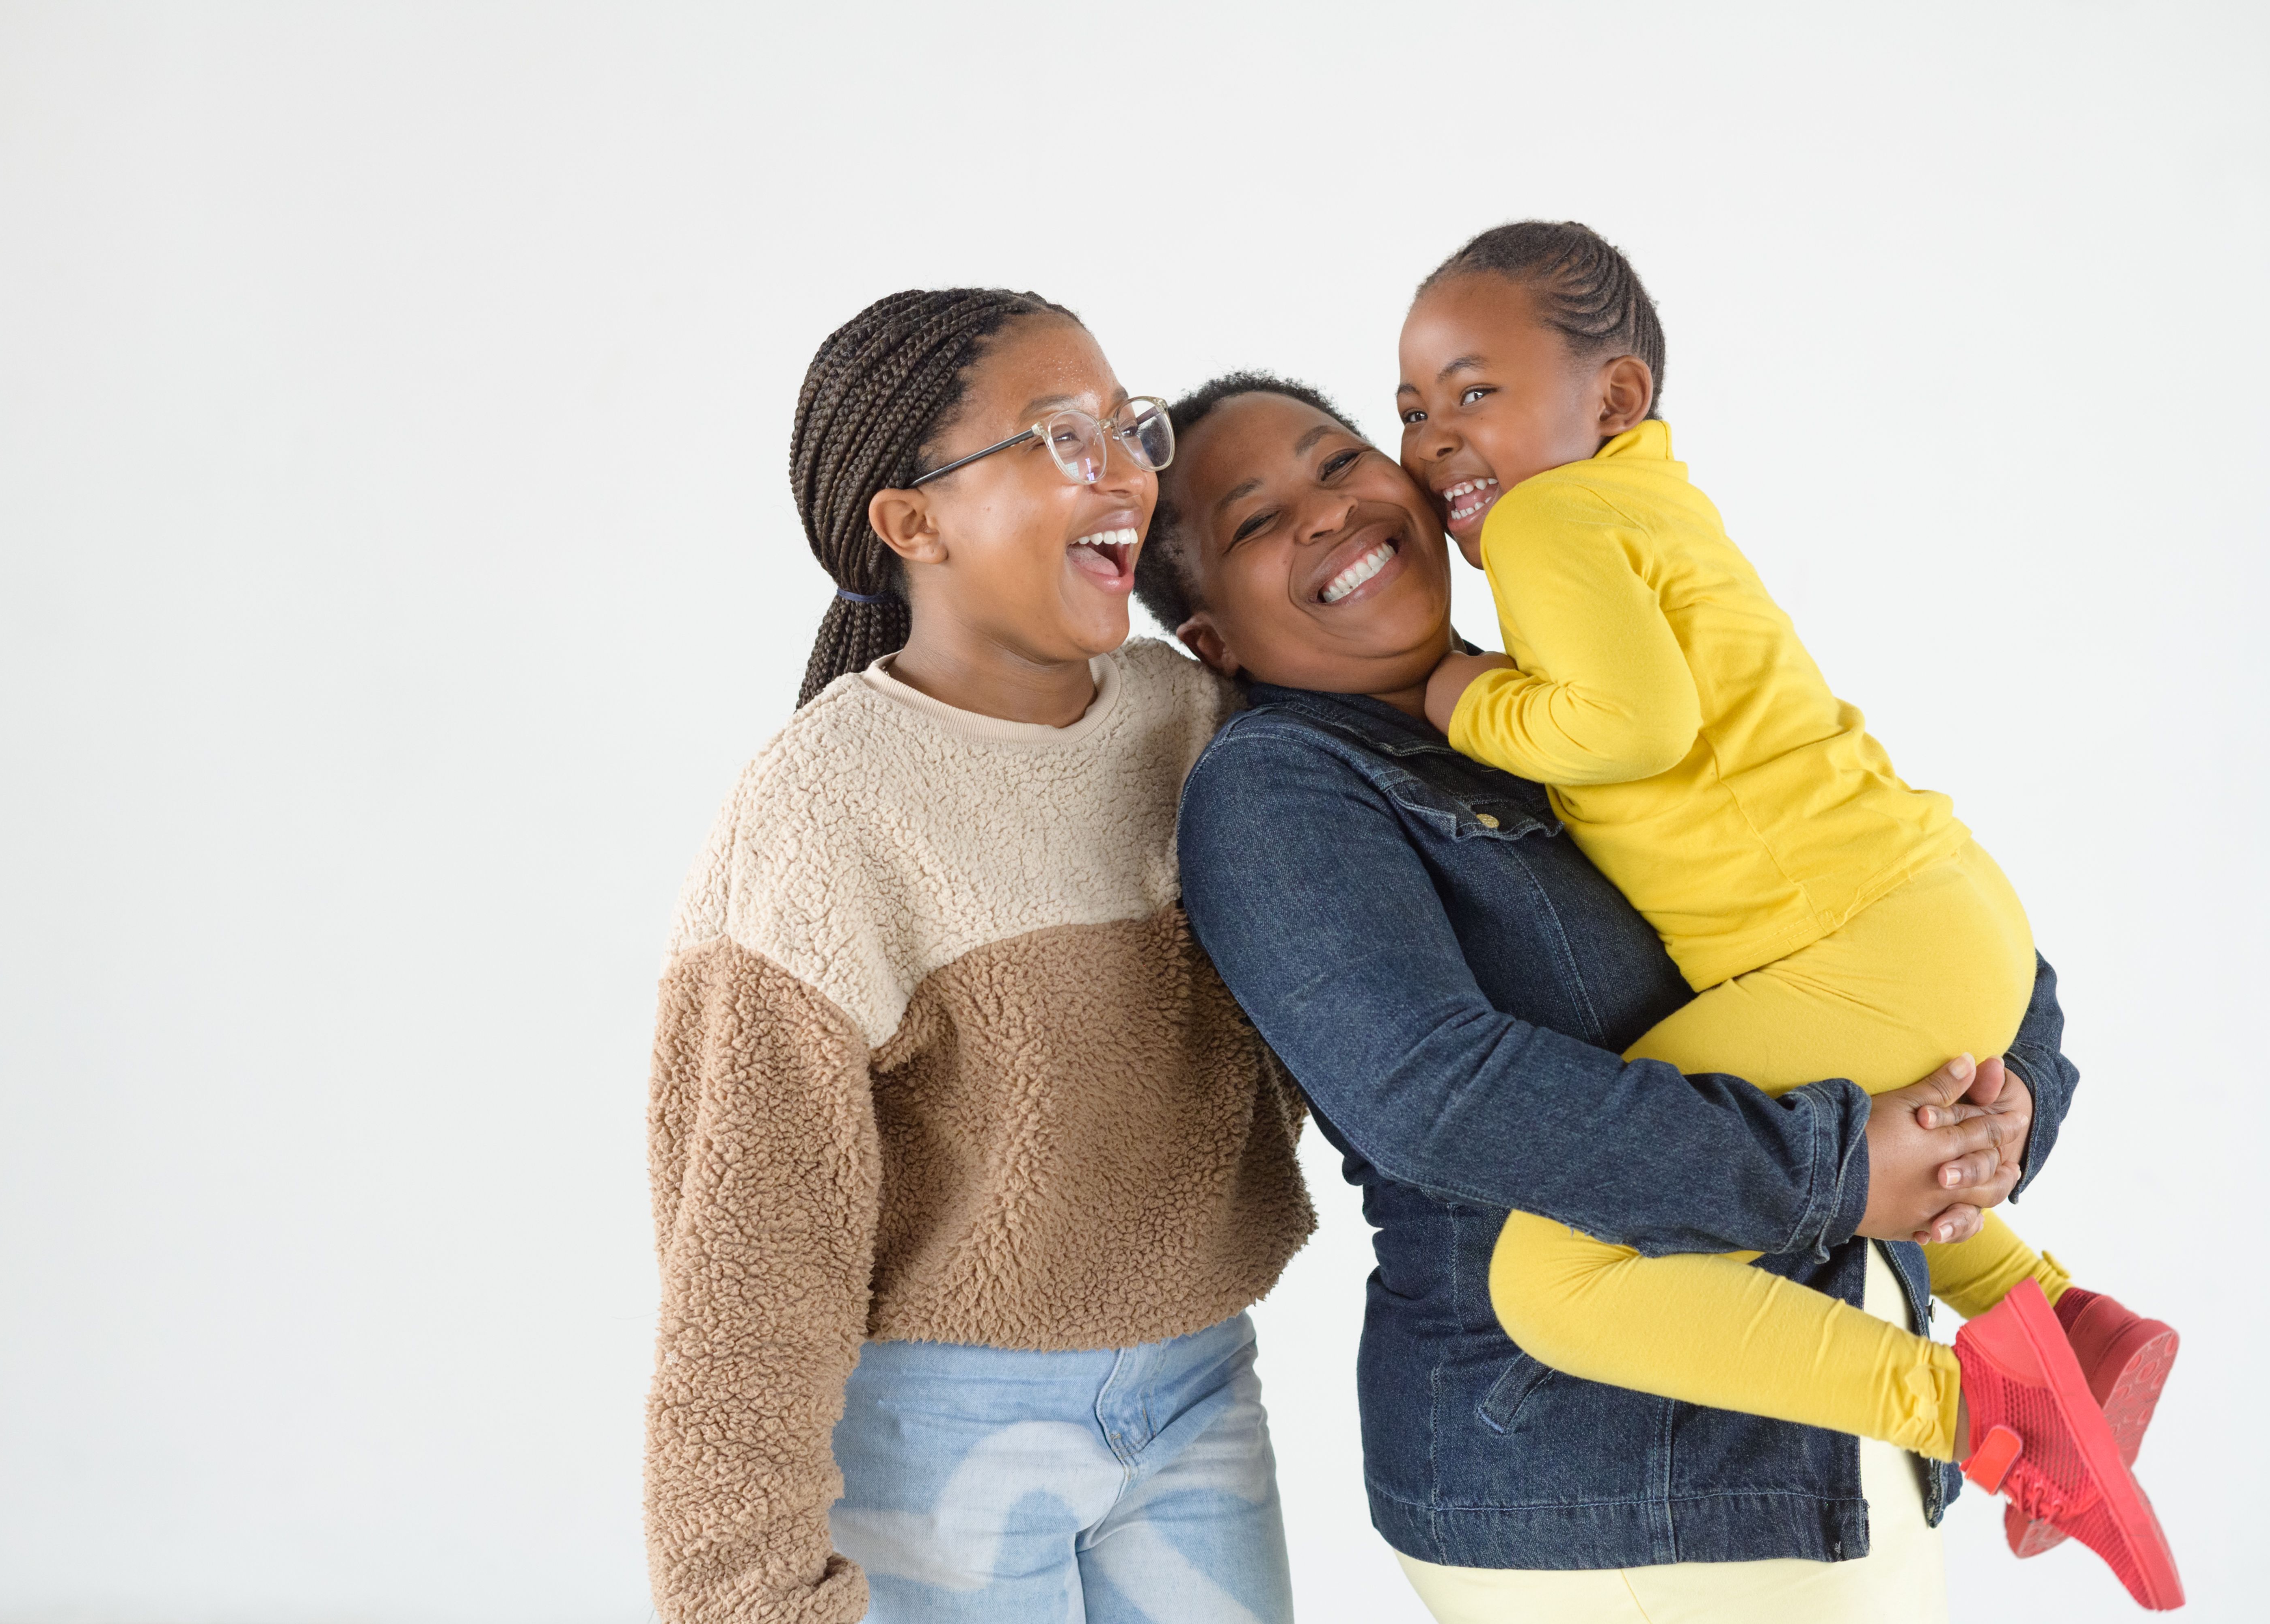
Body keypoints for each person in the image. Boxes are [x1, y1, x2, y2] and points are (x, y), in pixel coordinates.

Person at [1139, 372, 2095, 1622]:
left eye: (1341, 463)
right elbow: (1439, 1098)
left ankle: (2043, 1366)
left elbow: (1891, 886)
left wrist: (2008, 1098)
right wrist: (1841, 1173)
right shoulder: (1278, 790)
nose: (1326, 513)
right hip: (1604, 1486)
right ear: (1213, 639)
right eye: (1256, 522)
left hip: (1840, 1432)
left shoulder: (1570, 691)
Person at [1401, 222, 2176, 1607]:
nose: (1436, 439)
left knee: (1555, 1275)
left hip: (1864, 941)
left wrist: (1466, 698)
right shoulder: (1652, 502)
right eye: (1411, 408)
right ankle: (2055, 1314)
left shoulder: (1548, 517)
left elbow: (1629, 723)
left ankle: (1982, 1421)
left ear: (1616, 400)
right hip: (1932, 912)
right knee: (1803, 1131)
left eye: (1474, 392)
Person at [646, 288, 1317, 1624]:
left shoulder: (1193, 720)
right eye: (1060, 437)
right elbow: (749, 1262)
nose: (1127, 470)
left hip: (1198, 1390)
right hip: (934, 1429)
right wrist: (750, 1597)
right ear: (913, 522)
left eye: (1128, 429)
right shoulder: (823, 806)